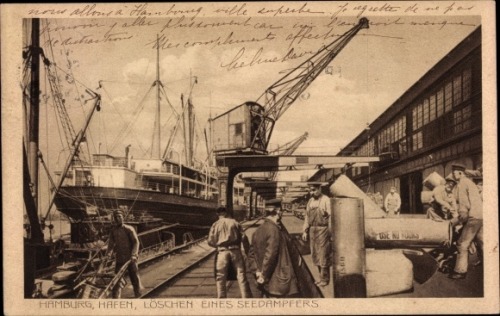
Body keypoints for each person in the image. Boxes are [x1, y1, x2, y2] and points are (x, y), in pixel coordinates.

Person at [249, 199, 299, 298]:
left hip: (264, 281)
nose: (281, 213)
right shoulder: (274, 230)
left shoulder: (258, 230)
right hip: (276, 282)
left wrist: (257, 272)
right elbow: (270, 255)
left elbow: (251, 254)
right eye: (280, 211)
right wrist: (264, 275)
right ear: (277, 211)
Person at [207, 207, 252, 298]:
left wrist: (218, 246)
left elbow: (210, 241)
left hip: (222, 252)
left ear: (217, 214)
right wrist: (248, 252)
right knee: (241, 275)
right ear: (226, 213)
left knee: (220, 277)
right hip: (235, 251)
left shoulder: (215, 224)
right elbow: (244, 238)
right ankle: (246, 298)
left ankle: (222, 299)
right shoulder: (235, 222)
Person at [448, 163, 483, 280]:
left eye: (454, 172)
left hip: (472, 217)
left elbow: (464, 207)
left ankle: (460, 271)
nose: (453, 174)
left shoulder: (462, 184)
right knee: (481, 241)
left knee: (462, 244)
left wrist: (454, 222)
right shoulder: (470, 182)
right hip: (480, 216)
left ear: (460, 173)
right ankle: (486, 263)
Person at [106, 210, 143, 298]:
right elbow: (110, 245)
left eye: (120, 216)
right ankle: (116, 298)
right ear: (114, 219)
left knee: (134, 277)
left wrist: (134, 254)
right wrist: (108, 254)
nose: (118, 219)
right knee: (116, 280)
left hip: (130, 258)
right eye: (116, 217)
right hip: (119, 259)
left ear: (123, 217)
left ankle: (138, 294)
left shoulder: (129, 229)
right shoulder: (113, 231)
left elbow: (136, 242)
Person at [302, 183, 332, 287]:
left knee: (323, 255)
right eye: (310, 190)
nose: (312, 192)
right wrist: (305, 231)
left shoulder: (326, 200)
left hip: (323, 230)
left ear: (319, 188)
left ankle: (325, 279)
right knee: (315, 255)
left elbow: (331, 217)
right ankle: (320, 278)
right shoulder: (310, 201)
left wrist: (330, 232)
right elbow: (307, 217)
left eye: (314, 190)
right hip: (312, 230)